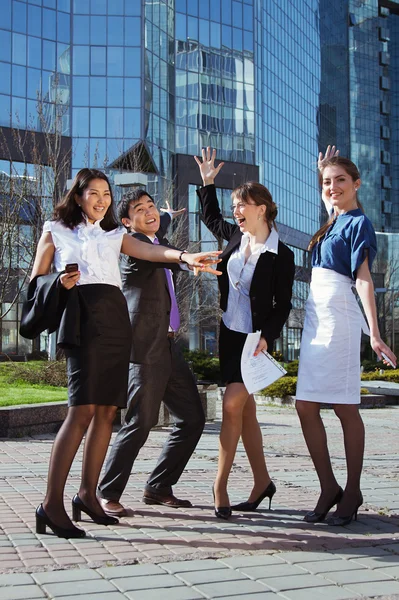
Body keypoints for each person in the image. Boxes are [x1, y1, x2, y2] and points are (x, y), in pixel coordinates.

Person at [29, 168, 221, 539]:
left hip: (116, 322)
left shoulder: (115, 233)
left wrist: (185, 256)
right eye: (94, 194)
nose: (102, 201)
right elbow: (35, 283)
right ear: (78, 195)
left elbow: (149, 249)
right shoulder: (54, 229)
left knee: (106, 413)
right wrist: (60, 281)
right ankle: (51, 504)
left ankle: (88, 494)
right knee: (80, 411)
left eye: (106, 195)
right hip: (83, 319)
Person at [295, 148, 397, 526]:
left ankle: (352, 490)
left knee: (343, 406)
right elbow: (328, 197)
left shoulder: (358, 224)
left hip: (339, 314)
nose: (333, 187)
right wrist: (319, 169)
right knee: (305, 405)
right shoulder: (331, 221)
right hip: (315, 316)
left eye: (341, 180)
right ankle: (328, 486)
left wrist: (375, 332)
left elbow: (363, 278)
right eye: (327, 182)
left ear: (357, 184)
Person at [194, 147, 295, 519]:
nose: (236, 211)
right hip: (228, 333)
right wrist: (208, 183)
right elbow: (211, 218)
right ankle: (262, 482)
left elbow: (282, 304)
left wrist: (269, 335)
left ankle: (219, 485)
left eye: (242, 205)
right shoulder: (236, 239)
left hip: (254, 340)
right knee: (247, 412)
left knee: (233, 403)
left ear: (262, 208)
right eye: (235, 205)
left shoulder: (281, 255)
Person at [97, 189, 206, 515]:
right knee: (139, 423)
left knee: (192, 418)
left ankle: (158, 486)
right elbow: (158, 254)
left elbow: (162, 230)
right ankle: (106, 492)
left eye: (152, 207)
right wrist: (186, 257)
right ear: (127, 221)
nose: (150, 212)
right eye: (140, 210)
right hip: (143, 348)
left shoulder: (157, 238)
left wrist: (170, 214)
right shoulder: (134, 248)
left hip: (168, 346)